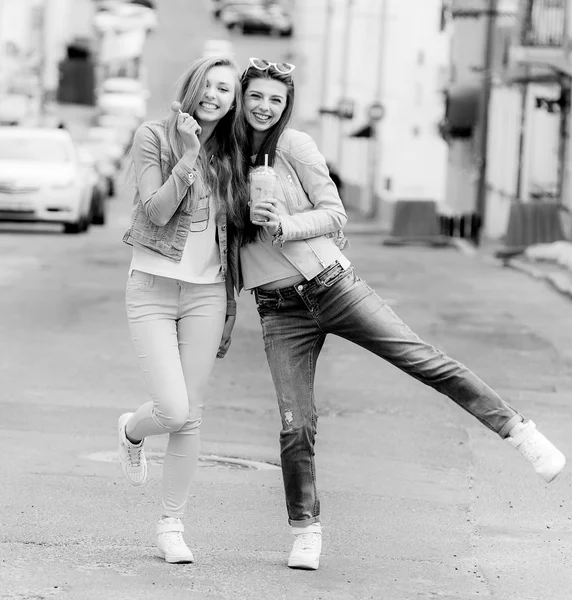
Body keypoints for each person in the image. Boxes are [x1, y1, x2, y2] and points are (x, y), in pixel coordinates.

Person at [237, 58, 566, 571]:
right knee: (294, 425)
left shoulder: (294, 148)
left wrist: (287, 223)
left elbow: (335, 212)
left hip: (331, 284)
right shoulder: (224, 161)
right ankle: (305, 530)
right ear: (243, 97)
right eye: (256, 96)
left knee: (423, 360)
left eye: (275, 100)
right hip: (279, 309)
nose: (265, 107)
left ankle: (518, 430)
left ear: (286, 106)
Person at [118, 56, 247, 564]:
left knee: (190, 416)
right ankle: (132, 430)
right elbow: (154, 209)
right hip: (151, 286)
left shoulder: (236, 153)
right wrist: (188, 155)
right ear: (193, 87)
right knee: (171, 409)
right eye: (210, 85)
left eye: (226, 90)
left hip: (207, 294)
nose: (216, 95)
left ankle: (171, 525)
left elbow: (234, 237)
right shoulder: (155, 135)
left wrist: (232, 303)